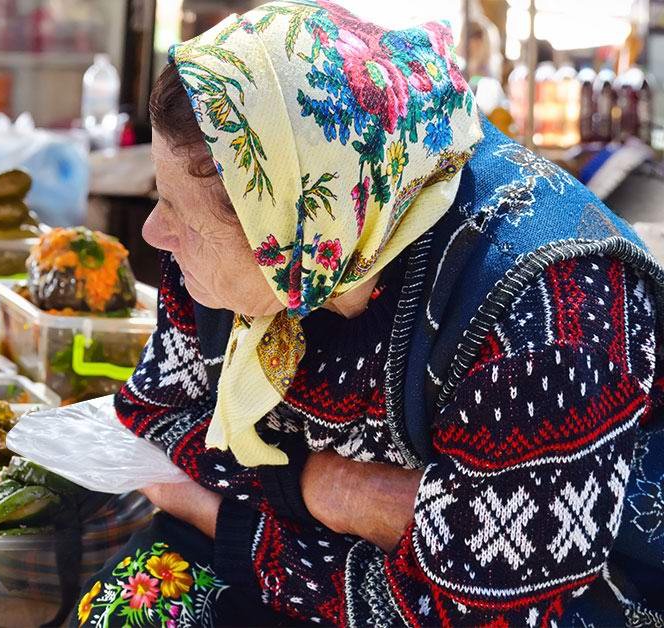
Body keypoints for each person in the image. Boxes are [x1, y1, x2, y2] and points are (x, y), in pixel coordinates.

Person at [75, 2, 664, 626]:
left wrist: (228, 514)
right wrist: (332, 489)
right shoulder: (270, 224)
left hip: (553, 607)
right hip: (318, 562)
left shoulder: (544, 317)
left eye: (177, 211)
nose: (153, 232)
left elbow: (476, 609)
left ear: (295, 226)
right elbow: (153, 415)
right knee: (131, 606)